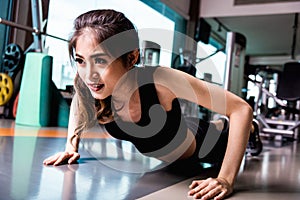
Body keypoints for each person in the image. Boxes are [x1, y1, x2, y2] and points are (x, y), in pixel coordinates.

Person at [43, 9, 253, 200]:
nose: (89, 74)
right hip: (178, 139)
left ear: (132, 57)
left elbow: (241, 109)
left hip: (202, 146)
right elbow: (78, 103)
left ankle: (251, 129)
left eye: (100, 61)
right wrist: (71, 146)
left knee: (225, 129)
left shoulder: (161, 81)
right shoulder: (91, 84)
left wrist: (225, 179)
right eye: (80, 61)